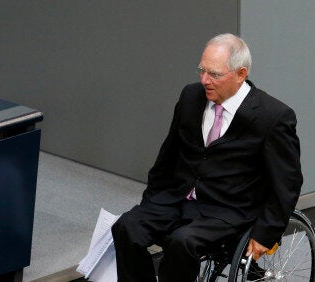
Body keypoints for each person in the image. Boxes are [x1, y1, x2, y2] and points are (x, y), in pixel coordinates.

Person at [111, 33, 303, 282]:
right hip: (177, 199)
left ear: (240, 74)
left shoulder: (273, 117)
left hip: (228, 210)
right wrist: (152, 200)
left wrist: (265, 233)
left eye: (214, 74)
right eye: (202, 70)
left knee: (181, 243)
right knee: (126, 227)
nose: (204, 80)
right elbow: (168, 155)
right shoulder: (191, 97)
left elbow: (287, 183)